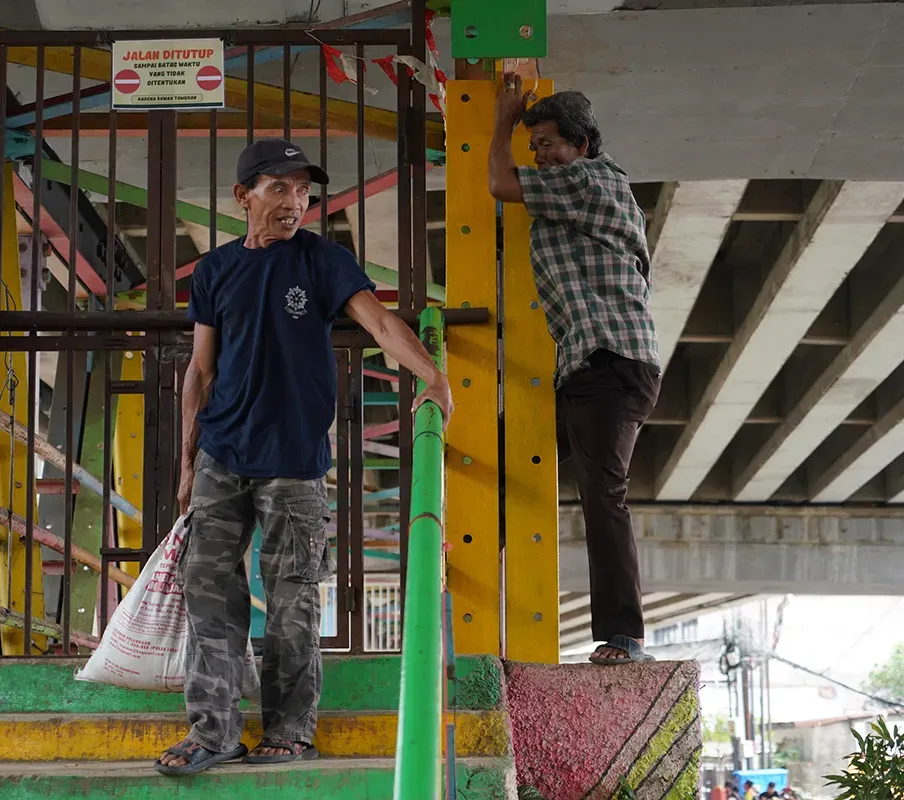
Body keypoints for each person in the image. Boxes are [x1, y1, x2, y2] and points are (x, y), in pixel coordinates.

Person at [154, 139, 453, 775]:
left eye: (304, 191)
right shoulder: (215, 271)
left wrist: (433, 376)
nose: (296, 202)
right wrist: (186, 461)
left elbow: (379, 325)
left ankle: (290, 728)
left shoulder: (322, 261)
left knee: (291, 598)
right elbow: (200, 371)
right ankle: (215, 733)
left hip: (293, 461)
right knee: (208, 591)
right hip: (221, 454)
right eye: (280, 189)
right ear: (243, 196)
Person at [488, 74, 661, 666]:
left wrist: (502, 122)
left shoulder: (585, 180)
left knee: (603, 496)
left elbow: (496, 183)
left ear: (583, 145)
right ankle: (475, 589)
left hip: (607, 362)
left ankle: (625, 636)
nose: (541, 156)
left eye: (549, 144)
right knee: (507, 459)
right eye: (534, 146)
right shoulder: (589, 183)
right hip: (596, 365)